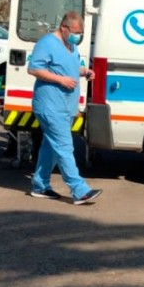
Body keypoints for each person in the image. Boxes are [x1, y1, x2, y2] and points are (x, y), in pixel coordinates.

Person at [28, 11, 102, 205]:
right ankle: (79, 190)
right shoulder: (47, 43)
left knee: (51, 148)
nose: (78, 36)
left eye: (81, 33)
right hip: (50, 105)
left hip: (65, 106)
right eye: (76, 32)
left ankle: (40, 186)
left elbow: (68, 66)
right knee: (64, 147)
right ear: (64, 28)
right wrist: (60, 80)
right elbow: (34, 68)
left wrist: (84, 71)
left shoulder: (71, 45)